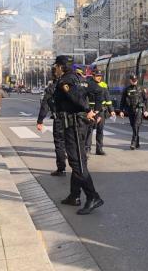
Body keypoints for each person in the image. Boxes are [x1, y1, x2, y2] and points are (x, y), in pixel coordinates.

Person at [45, 55, 103, 215]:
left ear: (61, 66)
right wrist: (94, 111)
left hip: (75, 125)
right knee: (79, 159)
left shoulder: (65, 81)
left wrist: (88, 111)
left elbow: (75, 97)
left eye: (56, 66)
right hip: (78, 124)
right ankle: (74, 195)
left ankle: (93, 197)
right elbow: (99, 91)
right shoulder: (79, 78)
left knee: (77, 162)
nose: (54, 69)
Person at [37, 73, 67, 176]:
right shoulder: (73, 84)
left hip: (59, 119)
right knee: (73, 143)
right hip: (75, 119)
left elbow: (45, 106)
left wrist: (40, 121)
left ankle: (61, 169)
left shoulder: (52, 88)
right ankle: (79, 169)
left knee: (59, 144)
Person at [85, 69, 114, 155]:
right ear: (93, 76)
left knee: (100, 130)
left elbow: (107, 99)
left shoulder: (103, 85)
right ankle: (87, 149)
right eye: (97, 76)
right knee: (89, 129)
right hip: (91, 110)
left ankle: (99, 149)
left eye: (100, 76)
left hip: (101, 111)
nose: (99, 78)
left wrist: (111, 110)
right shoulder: (88, 84)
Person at [119, 74, 148, 150]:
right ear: (130, 80)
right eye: (133, 80)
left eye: (136, 80)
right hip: (130, 110)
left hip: (139, 110)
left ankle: (133, 143)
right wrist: (121, 111)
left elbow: (145, 100)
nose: (134, 82)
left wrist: (146, 110)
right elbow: (122, 101)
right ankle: (137, 143)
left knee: (135, 125)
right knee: (133, 126)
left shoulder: (141, 88)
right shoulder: (126, 89)